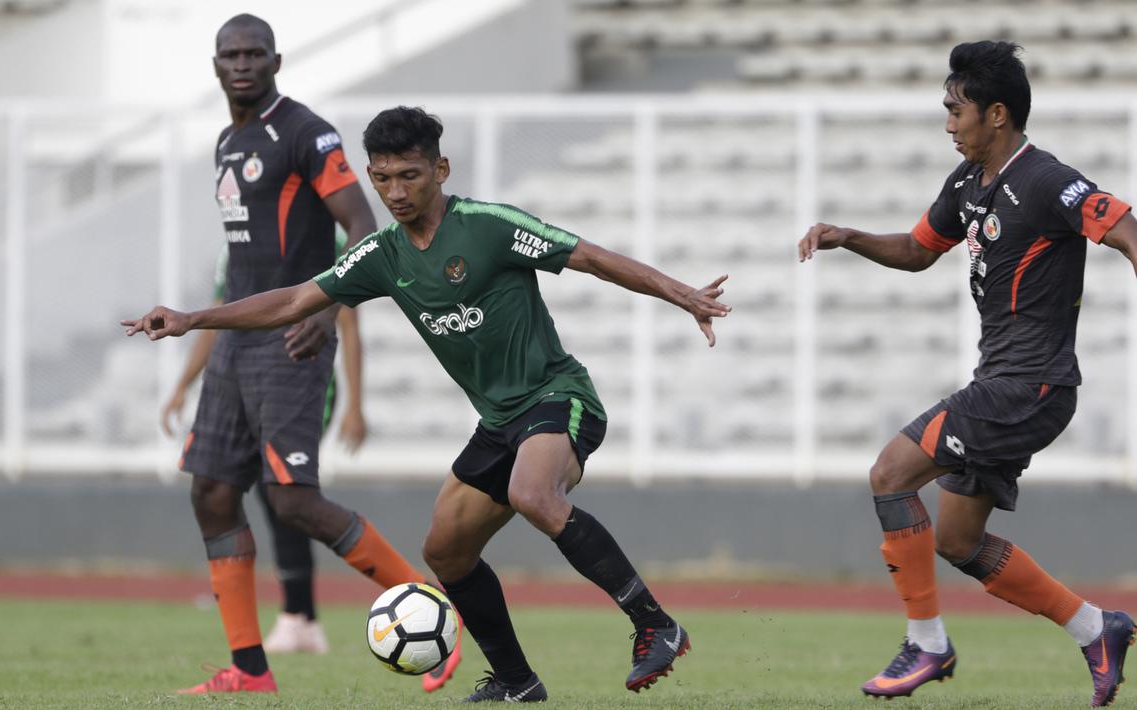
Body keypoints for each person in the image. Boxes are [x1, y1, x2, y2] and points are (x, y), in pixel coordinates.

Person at [124, 105, 730, 702]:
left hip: (558, 397)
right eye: (381, 178)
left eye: (408, 175)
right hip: (498, 424)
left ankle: (655, 624)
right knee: (445, 551)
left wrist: (685, 297)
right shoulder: (383, 255)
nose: (395, 191)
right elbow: (291, 302)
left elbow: (593, 258)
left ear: (440, 169)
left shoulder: (489, 226)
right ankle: (517, 682)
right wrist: (191, 318)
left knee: (532, 494)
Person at [798, 41, 1137, 707]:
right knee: (956, 539)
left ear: (997, 115)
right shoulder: (965, 185)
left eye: (956, 111)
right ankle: (1097, 629)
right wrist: (849, 236)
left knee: (888, 474)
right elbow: (917, 251)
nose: (948, 123)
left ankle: (925, 643)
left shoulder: (1045, 180)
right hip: (1006, 383)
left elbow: (1126, 229)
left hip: (1027, 384)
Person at [163, 16, 460, 694]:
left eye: (253, 53)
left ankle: (433, 612)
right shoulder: (227, 140)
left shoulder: (304, 132)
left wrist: (327, 307)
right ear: (216, 65)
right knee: (210, 493)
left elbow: (361, 222)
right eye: (230, 54)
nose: (241, 64)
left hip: (289, 339)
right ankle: (249, 669)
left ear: (275, 60)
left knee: (293, 502)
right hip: (238, 344)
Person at [161, 236, 368, 657]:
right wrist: (183, 384)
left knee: (286, 491)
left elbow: (347, 323)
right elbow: (217, 322)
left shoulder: (326, 237)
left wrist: (356, 406)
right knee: (271, 492)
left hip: (304, 380)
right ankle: (301, 618)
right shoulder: (234, 248)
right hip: (249, 377)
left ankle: (300, 616)